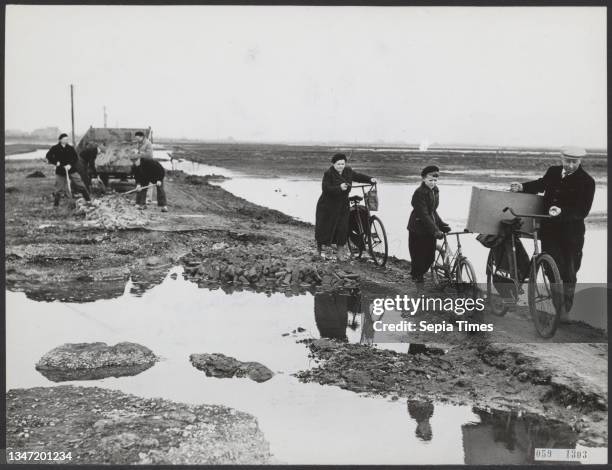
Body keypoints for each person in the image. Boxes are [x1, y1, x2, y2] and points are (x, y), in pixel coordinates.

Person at [510, 147, 595, 314]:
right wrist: (522, 186)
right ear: (561, 158)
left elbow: (582, 211)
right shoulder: (554, 171)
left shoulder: (587, 181)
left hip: (572, 234)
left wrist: (561, 212)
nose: (570, 165)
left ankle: (565, 310)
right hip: (549, 231)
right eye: (567, 161)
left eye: (574, 162)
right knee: (550, 268)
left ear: (580, 161)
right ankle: (559, 310)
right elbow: (541, 184)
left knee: (569, 273)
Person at [314, 153, 376, 260]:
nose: (341, 166)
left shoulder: (348, 171)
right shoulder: (328, 173)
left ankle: (340, 253)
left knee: (343, 228)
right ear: (333, 164)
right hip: (328, 205)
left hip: (343, 205)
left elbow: (358, 176)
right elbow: (325, 188)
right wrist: (339, 188)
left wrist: (370, 179)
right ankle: (320, 250)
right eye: (338, 164)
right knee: (325, 228)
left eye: (342, 164)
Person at [407, 165, 450, 283]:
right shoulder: (419, 193)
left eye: (435, 180)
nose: (433, 183)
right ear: (423, 179)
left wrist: (441, 225)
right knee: (418, 255)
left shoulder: (435, 190)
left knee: (430, 256)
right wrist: (436, 230)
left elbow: (432, 211)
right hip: (417, 228)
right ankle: (417, 277)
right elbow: (423, 214)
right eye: (430, 180)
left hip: (429, 227)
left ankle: (419, 273)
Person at [45, 133, 91, 206]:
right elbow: (48, 156)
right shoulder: (55, 148)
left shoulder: (70, 148)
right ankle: (56, 205)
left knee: (80, 184)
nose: (66, 140)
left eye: (67, 139)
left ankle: (88, 200)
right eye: (65, 139)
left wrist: (70, 165)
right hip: (60, 170)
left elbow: (75, 158)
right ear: (60, 140)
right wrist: (55, 162)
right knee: (58, 188)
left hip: (71, 169)